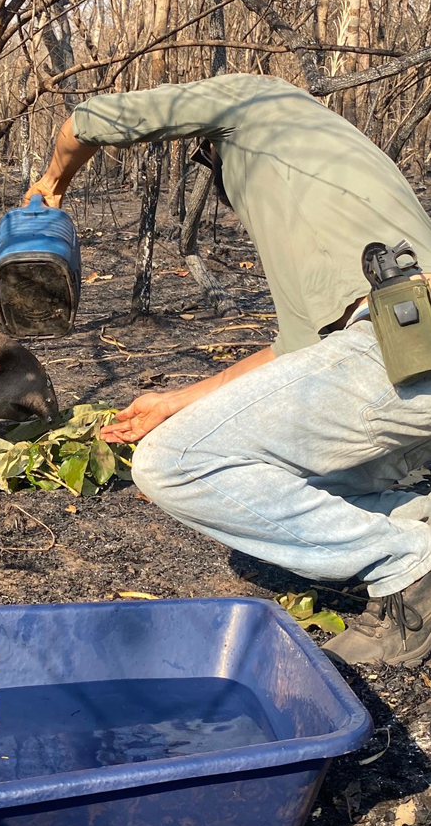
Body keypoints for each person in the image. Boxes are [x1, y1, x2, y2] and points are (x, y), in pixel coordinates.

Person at [24, 73, 431, 667]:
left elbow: (90, 120)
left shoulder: (259, 97)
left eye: (207, 159)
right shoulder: (339, 182)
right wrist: (175, 400)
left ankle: (408, 570)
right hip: (398, 355)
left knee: (174, 464)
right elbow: (299, 356)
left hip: (404, 343)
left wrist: (51, 182)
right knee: (282, 468)